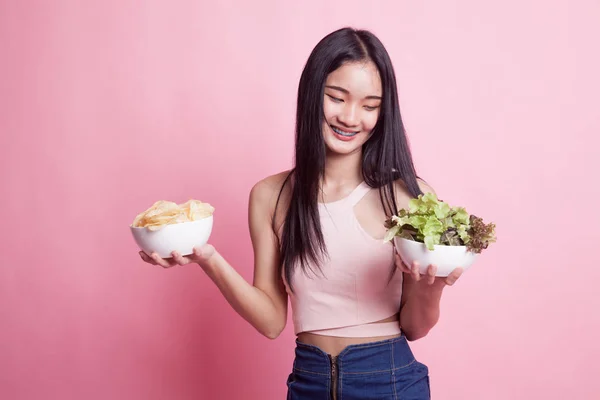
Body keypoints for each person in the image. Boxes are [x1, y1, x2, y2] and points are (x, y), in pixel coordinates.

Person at [139, 27, 464, 399]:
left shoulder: (409, 196)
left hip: (387, 379)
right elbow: (271, 321)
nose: (351, 117)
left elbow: (416, 327)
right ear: (312, 95)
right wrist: (207, 258)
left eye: (370, 106)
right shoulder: (270, 196)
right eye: (336, 98)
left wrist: (430, 290)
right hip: (309, 380)